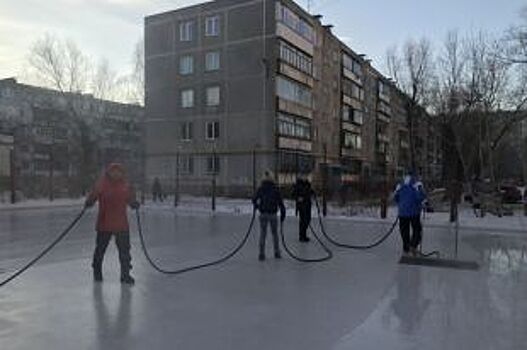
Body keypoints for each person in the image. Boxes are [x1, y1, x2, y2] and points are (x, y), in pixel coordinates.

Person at [85, 163, 139, 285]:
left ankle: (125, 274)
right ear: (108, 172)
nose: (116, 174)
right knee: (100, 249)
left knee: (125, 251)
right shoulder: (102, 184)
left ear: (121, 173)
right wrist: (89, 201)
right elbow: (93, 195)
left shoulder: (126, 185)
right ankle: (97, 271)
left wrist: (134, 203)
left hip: (121, 224)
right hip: (104, 223)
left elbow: (131, 199)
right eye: (113, 171)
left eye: (118, 171)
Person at [252, 170, 286, 261]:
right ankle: (277, 252)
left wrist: (257, 206)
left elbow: (254, 199)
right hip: (272, 214)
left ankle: (261, 253)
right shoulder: (275, 188)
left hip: (263, 214)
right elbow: (280, 202)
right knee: (275, 234)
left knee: (263, 233)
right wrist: (283, 213)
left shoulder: (261, 188)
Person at [393, 171, 426, 257]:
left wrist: (402, 203)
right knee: (417, 229)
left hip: (402, 212)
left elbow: (396, 197)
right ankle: (413, 246)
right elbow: (420, 197)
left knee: (404, 230)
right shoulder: (417, 184)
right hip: (414, 211)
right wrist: (424, 201)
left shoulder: (400, 184)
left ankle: (406, 248)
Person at [292, 177, 314, 242]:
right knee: (303, 221)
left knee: (308, 219)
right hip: (301, 206)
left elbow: (309, 192)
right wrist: (298, 198)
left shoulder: (307, 184)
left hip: (307, 205)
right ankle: (302, 236)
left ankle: (303, 235)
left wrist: (312, 192)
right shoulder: (298, 185)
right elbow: (293, 194)